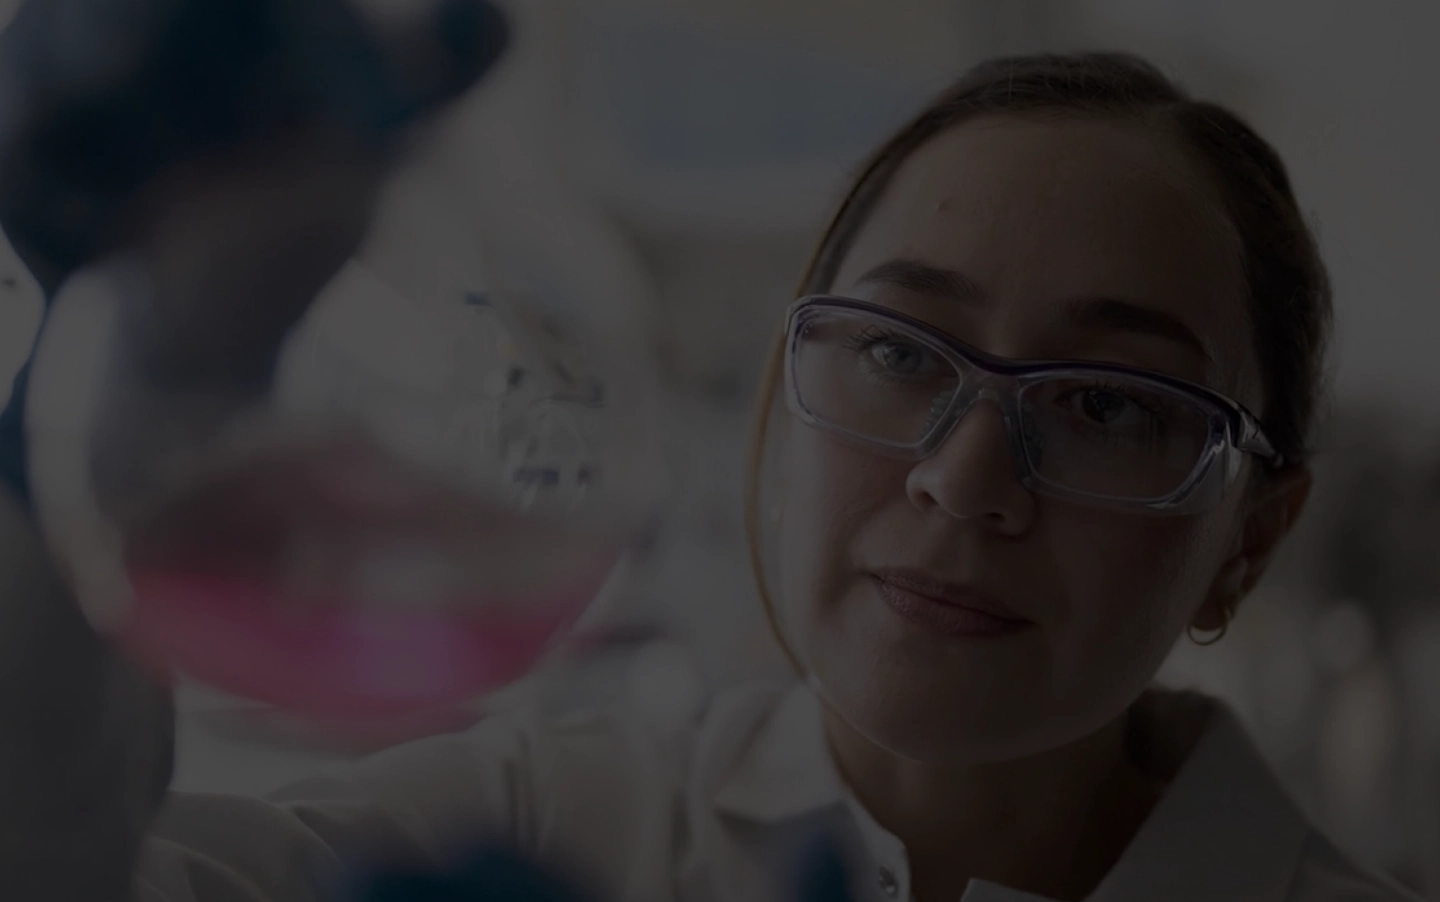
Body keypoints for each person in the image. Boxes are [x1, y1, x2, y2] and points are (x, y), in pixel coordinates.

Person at [0, 0, 1420, 898]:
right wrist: (111, 387)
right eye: (898, 351)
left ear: (1250, 538)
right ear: (778, 396)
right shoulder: (541, 815)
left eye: (1108, 404)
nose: (964, 479)